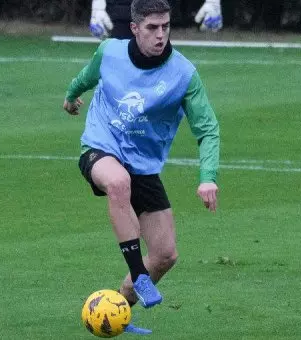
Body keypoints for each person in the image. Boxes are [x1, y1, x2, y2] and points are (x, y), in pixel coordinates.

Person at [67, 0, 220, 334]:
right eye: (152, 27)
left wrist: (207, 177)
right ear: (134, 28)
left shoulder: (183, 74)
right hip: (100, 149)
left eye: (165, 26)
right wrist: (70, 96)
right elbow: (85, 78)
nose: (160, 35)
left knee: (165, 254)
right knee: (118, 182)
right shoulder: (109, 52)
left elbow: (208, 128)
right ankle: (138, 274)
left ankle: (118, 309)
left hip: (145, 167)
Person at [90, 0, 223, 39]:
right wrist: (97, 7)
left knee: (156, 70)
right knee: (118, 72)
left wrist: (213, 2)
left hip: (157, 7)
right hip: (122, 9)